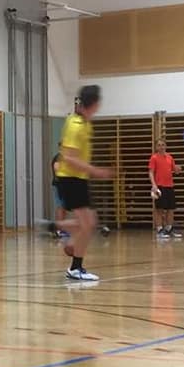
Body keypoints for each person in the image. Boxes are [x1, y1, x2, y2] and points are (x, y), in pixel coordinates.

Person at [49, 85, 113, 281]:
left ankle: (57, 229)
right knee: (88, 223)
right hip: (71, 179)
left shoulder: (84, 122)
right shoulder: (75, 125)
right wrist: (95, 171)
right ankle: (75, 268)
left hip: (79, 179)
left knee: (88, 223)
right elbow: (69, 158)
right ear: (93, 103)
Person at [149, 138, 182, 239]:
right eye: (159, 145)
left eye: (163, 145)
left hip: (170, 186)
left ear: (166, 146)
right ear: (156, 147)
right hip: (159, 186)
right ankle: (160, 230)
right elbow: (151, 172)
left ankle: (169, 229)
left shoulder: (170, 157)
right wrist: (154, 185)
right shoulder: (154, 158)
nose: (161, 147)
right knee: (159, 209)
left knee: (170, 209)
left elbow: (174, 170)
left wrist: (177, 169)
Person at [51, 153, 68, 238]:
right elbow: (57, 169)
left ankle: (61, 229)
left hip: (63, 185)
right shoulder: (59, 157)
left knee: (63, 208)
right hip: (59, 185)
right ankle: (59, 230)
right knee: (60, 207)